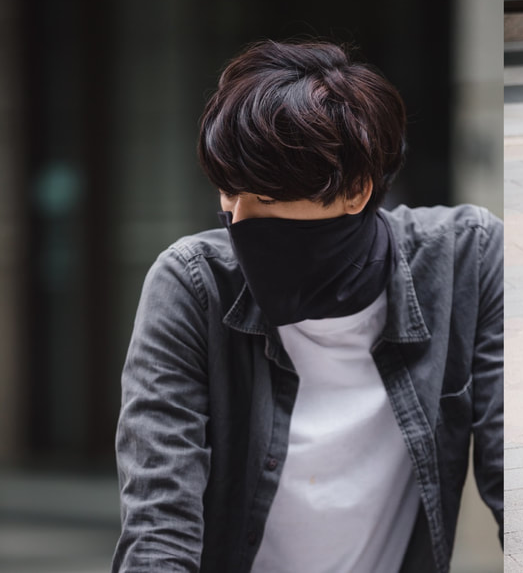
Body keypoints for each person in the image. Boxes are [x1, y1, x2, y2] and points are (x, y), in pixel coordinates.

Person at [112, 40, 502, 572]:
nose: (238, 221)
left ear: (356, 191)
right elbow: (159, 525)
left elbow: (518, 477)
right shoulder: (194, 285)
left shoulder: (466, 261)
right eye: (228, 193)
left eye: (266, 199)